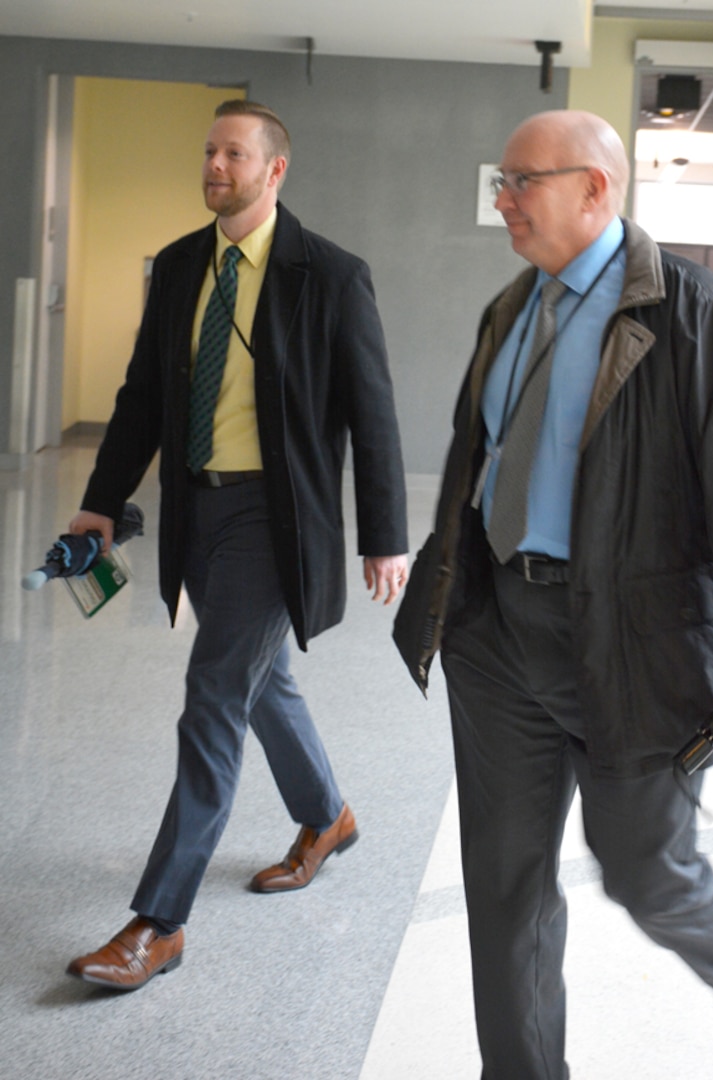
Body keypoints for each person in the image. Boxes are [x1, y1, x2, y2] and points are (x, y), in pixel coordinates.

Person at [394, 109, 713, 1079]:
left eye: (521, 182)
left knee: (642, 870)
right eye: (500, 181)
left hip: (631, 641)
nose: (502, 201)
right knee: (502, 885)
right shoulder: (510, 306)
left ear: (594, 188)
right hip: (497, 630)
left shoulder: (689, 311)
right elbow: (479, 461)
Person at [66, 99, 408, 991]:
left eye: (233, 153)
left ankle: (158, 920)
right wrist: (101, 502)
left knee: (213, 691)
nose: (215, 164)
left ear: (274, 170)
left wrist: (386, 536)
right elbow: (145, 392)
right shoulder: (182, 265)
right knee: (261, 680)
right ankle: (325, 815)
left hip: (275, 519)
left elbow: (371, 414)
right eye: (209, 150)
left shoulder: (328, 274)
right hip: (197, 512)